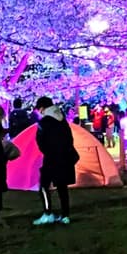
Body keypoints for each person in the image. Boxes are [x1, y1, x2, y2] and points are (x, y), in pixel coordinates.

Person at [32, 96, 77, 226]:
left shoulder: (44, 122)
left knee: (44, 186)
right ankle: (65, 215)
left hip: (51, 158)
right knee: (62, 187)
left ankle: (48, 214)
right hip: (65, 158)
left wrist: (48, 151)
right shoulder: (62, 119)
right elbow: (70, 139)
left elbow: (40, 141)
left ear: (42, 108)